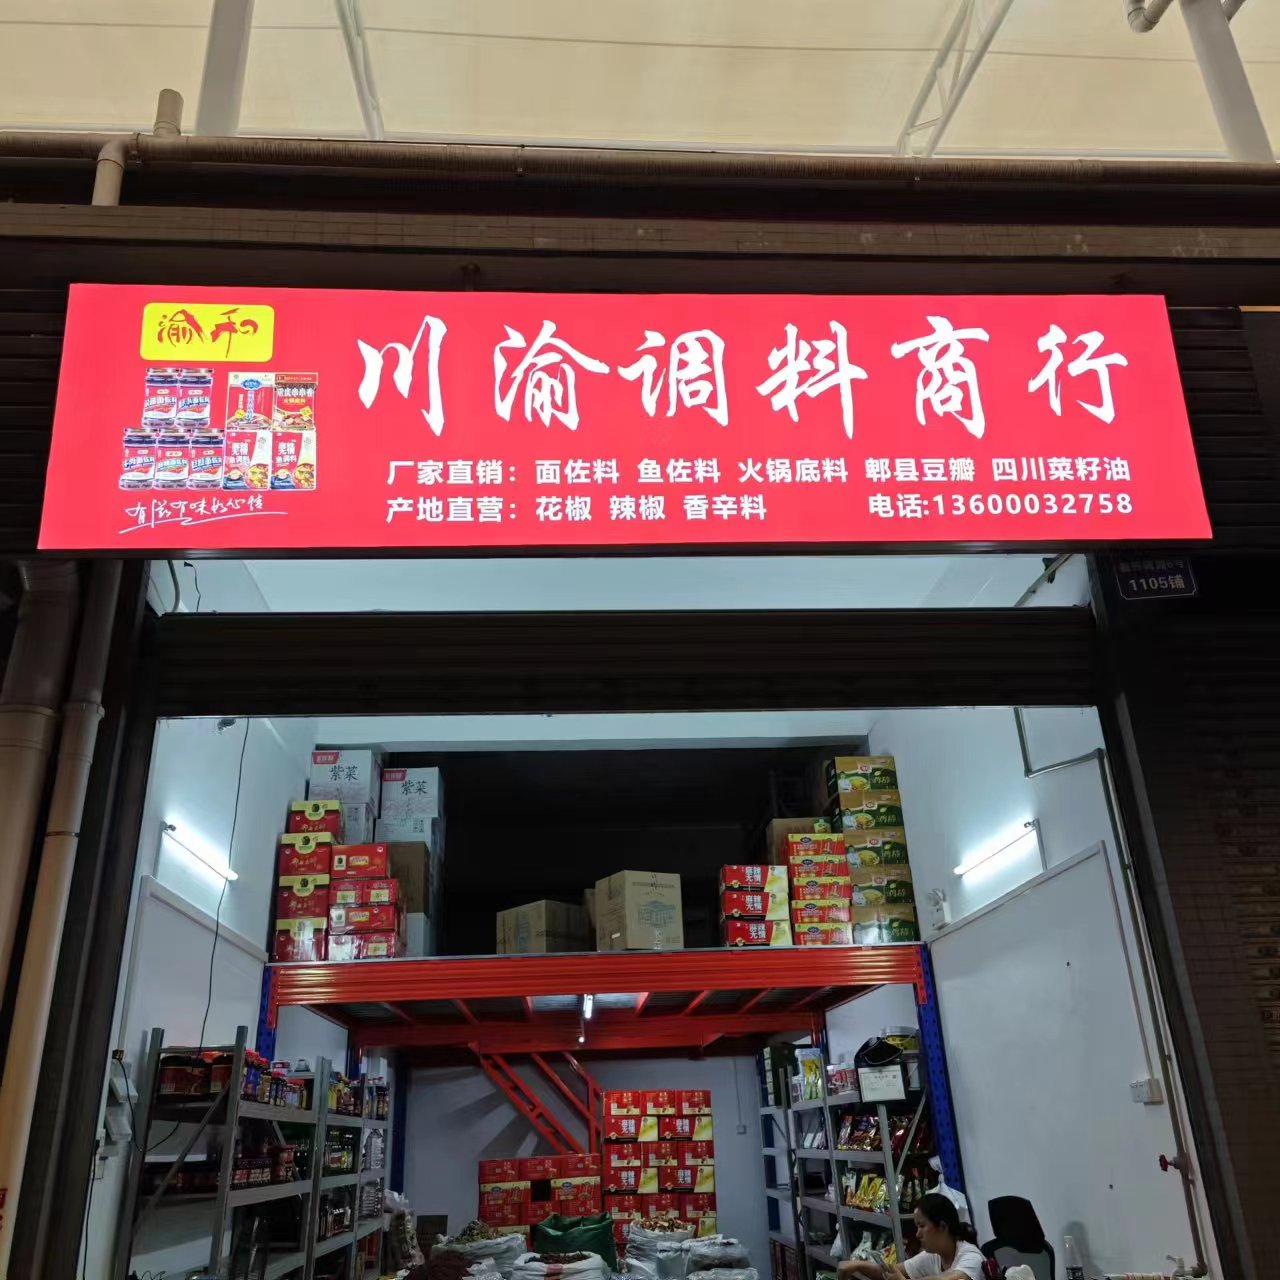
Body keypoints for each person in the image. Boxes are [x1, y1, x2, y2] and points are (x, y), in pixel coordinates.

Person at [837, 1192, 985, 1280]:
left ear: (942, 1226)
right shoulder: (933, 1256)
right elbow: (888, 1272)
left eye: (922, 1226)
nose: (917, 1234)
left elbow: (954, 1278)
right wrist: (857, 1265)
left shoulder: (970, 1256)